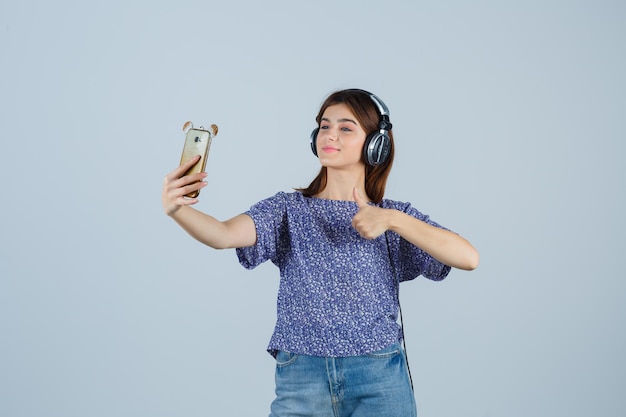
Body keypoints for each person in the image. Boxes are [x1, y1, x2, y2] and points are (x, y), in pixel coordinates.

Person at [162, 88, 479, 416]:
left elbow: (468, 257)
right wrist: (177, 210)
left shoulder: (394, 217)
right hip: (302, 376)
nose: (330, 135)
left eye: (345, 128)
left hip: (378, 376)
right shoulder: (287, 209)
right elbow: (222, 234)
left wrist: (393, 220)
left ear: (376, 145)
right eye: (325, 126)